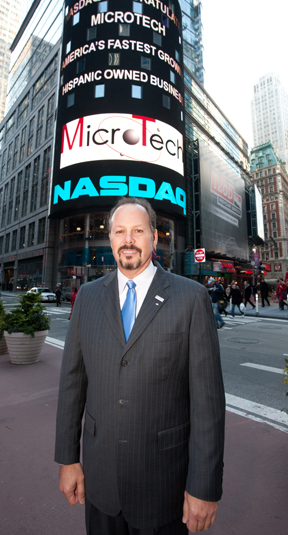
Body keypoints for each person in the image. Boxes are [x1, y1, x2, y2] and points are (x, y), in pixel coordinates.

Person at [55, 197, 225, 534]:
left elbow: (207, 402)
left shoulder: (191, 297)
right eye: (120, 231)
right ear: (112, 238)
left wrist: (204, 486)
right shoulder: (87, 297)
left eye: (138, 231)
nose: (128, 239)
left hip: (164, 486)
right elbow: (72, 382)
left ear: (154, 238)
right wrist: (67, 459)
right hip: (100, 482)